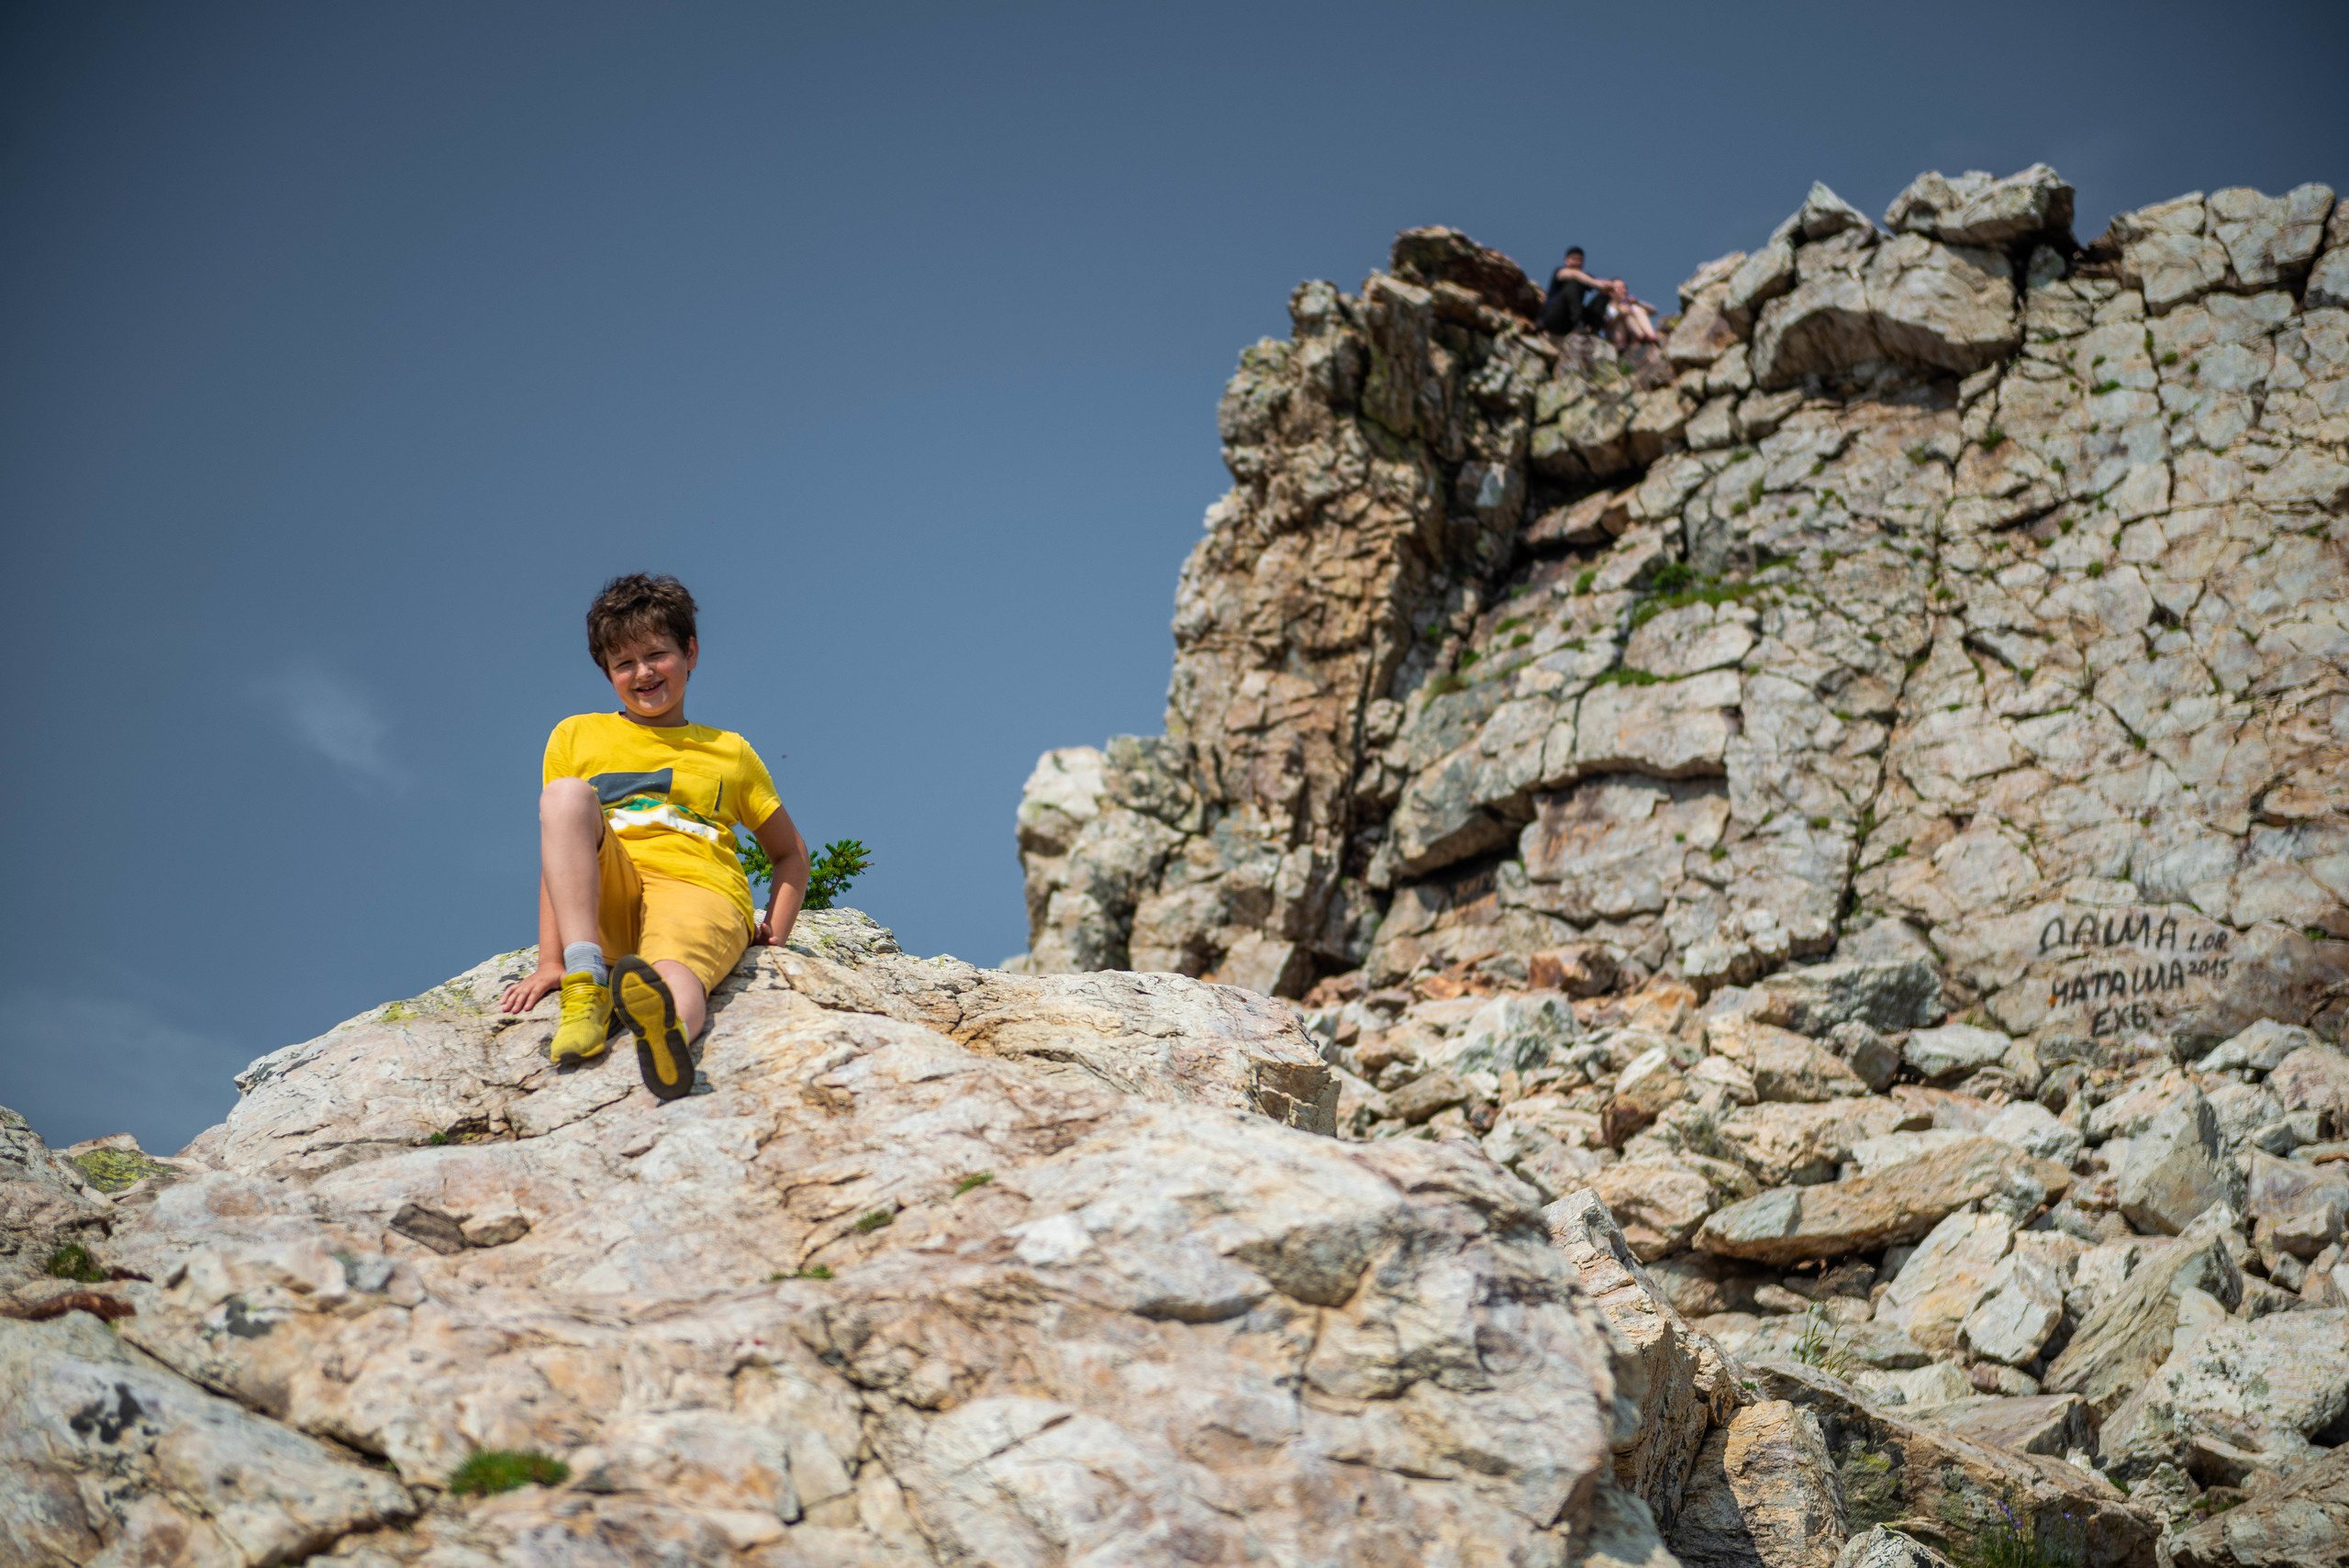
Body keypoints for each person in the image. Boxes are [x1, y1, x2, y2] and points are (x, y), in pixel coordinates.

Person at [497, 573, 811, 1100]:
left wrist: (774, 933)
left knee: (674, 971)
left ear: (690, 652)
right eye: (624, 663)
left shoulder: (729, 751)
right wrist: (550, 962)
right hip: (609, 893)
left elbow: (790, 853)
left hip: (698, 888)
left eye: (656, 655)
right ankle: (584, 984)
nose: (642, 672)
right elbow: (561, 854)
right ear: (607, 672)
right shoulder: (576, 734)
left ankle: (667, 1035)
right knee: (565, 797)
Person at [1540, 247, 1608, 337]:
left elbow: (1602, 285)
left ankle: (1593, 328)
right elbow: (1574, 275)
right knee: (1573, 283)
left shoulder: (1585, 278)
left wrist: (1613, 286)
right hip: (1554, 318)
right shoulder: (1560, 271)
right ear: (1566, 261)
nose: (1576, 262)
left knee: (1604, 295)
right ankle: (1577, 322)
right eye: (1573, 259)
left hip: (1569, 322)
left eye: (1579, 260)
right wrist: (1597, 284)